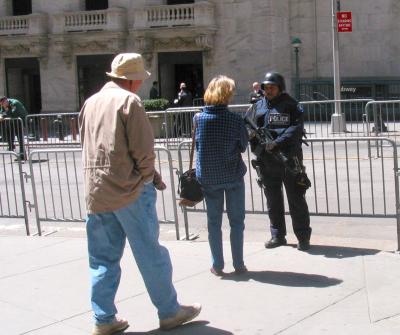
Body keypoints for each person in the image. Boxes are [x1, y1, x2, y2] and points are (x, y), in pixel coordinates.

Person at [79, 53, 201, 335]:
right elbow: (143, 150)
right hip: (129, 189)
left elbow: (86, 142)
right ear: (132, 80)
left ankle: (104, 318)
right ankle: (169, 311)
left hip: (97, 191)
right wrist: (149, 179)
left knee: (102, 259)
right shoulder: (128, 101)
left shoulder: (90, 102)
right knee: (150, 253)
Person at [245, 71, 312, 251]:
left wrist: (276, 143)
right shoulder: (257, 106)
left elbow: (296, 128)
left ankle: (303, 237)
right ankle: (277, 235)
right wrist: (252, 138)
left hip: (289, 160)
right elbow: (247, 124)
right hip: (266, 161)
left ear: (280, 88)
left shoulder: (291, 105)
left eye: (272, 87)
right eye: (266, 87)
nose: (269, 90)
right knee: (273, 200)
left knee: (296, 199)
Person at [195, 75, 248, 276]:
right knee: (236, 222)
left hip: (209, 177)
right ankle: (239, 264)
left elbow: (199, 146)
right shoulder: (235, 120)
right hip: (232, 175)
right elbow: (243, 146)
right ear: (227, 95)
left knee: (214, 223)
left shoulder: (198, 119)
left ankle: (217, 265)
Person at [0, 96, 27, 160]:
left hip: (20, 121)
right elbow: (2, 112)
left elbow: (13, 114)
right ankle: (11, 146)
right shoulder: (3, 104)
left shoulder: (14, 103)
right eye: (1, 104)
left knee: (20, 138)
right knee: (8, 133)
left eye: (3, 103)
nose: (2, 105)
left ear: (6, 100)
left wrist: (6, 110)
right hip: (12, 121)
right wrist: (1, 115)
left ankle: (23, 155)